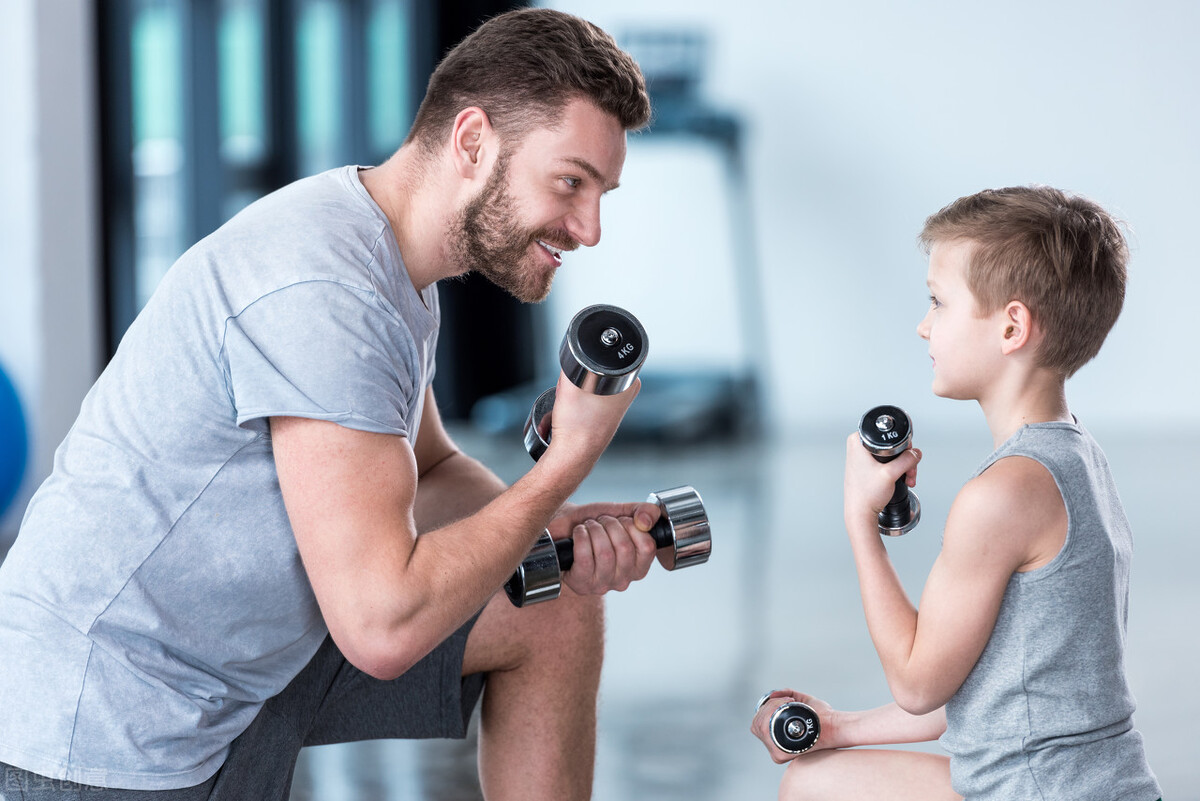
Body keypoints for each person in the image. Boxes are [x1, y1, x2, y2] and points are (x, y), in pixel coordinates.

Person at [0, 9, 658, 800]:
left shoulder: (385, 257)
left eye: (600, 193)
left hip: (239, 670)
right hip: (112, 728)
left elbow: (434, 467)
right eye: (570, 182)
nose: (589, 227)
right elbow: (382, 627)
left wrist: (536, 527)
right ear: (474, 140)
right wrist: (563, 467)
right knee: (415, 607)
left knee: (550, 607)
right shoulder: (326, 290)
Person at [751, 186, 1162, 800]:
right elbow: (993, 683)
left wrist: (861, 522)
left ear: (1012, 326)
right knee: (822, 776)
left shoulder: (1001, 496)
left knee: (812, 791)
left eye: (938, 303)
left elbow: (919, 684)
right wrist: (840, 727)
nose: (923, 325)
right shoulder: (1077, 460)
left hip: (1042, 791)